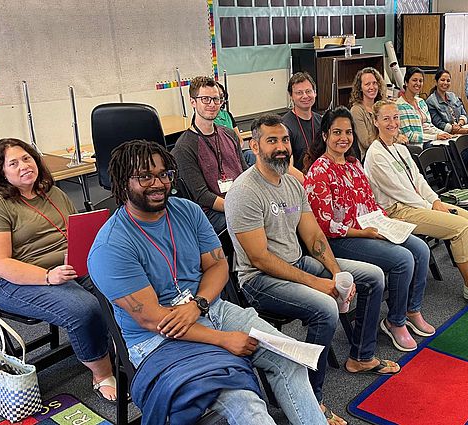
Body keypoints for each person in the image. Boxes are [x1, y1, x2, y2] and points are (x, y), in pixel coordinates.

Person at [88, 139, 324, 425]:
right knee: (245, 403)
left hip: (209, 307)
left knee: (290, 356)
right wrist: (223, 339)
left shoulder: (186, 210)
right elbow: (153, 320)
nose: (158, 183)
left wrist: (198, 305)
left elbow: (217, 265)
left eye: (164, 174)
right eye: (145, 176)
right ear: (122, 183)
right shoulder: (111, 246)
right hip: (157, 339)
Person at [226, 114, 398, 424]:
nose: (281, 147)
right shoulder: (244, 191)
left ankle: (360, 356)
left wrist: (334, 272)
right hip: (259, 279)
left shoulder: (292, 182)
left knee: (372, 276)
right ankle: (311, 399)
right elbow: (259, 258)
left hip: (297, 262)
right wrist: (317, 284)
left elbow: (314, 235)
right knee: (326, 308)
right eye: (272, 141)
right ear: (254, 146)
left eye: (285, 140)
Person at [0, 138, 116, 402]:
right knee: (84, 309)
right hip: (13, 281)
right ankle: (102, 372)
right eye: (13, 163)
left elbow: (74, 234)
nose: (23, 166)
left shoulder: (52, 192)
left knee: (119, 285)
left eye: (27, 158)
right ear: (1, 172)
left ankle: (126, 349)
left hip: (65, 267)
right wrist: (47, 277)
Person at [303, 107, 434, 352]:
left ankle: (411, 310)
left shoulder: (353, 164)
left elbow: (370, 204)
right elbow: (326, 225)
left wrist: (388, 224)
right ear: (324, 136)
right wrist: (367, 232)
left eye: (348, 132)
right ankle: (394, 322)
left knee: (420, 248)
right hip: (340, 239)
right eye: (336, 132)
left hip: (369, 228)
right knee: (403, 259)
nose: (344, 138)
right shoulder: (318, 172)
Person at [365, 100, 468, 309]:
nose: (392, 123)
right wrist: (431, 207)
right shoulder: (375, 154)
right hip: (397, 211)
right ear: (376, 121)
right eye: (386, 118)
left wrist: (435, 200)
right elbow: (400, 192)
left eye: (395, 117)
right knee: (460, 227)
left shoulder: (400, 147)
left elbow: (418, 179)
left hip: (418, 204)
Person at [172, 76, 247, 233]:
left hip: (240, 201)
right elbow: (202, 196)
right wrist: (239, 208)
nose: (212, 104)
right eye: (205, 99)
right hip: (212, 213)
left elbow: (245, 172)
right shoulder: (184, 147)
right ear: (193, 102)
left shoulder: (229, 134)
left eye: (216, 99)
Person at [397, 67, 452, 152]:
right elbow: (409, 135)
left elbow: (429, 126)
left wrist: (443, 134)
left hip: (428, 140)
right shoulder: (400, 105)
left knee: (454, 144)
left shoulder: (421, 102)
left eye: (420, 81)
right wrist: (435, 137)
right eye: (414, 80)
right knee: (444, 151)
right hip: (415, 146)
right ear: (406, 82)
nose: (418, 83)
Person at [281, 72, 319, 180]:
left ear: (315, 93)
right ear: (291, 96)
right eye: (299, 92)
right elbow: (287, 167)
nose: (305, 96)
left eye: (308, 91)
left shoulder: (321, 121)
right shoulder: (284, 126)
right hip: (299, 184)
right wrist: (310, 184)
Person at [350, 67, 391, 156]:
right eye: (367, 84)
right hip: (371, 155)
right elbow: (366, 142)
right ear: (360, 88)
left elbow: (394, 130)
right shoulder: (356, 110)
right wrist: (391, 140)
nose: (372, 87)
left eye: (375, 83)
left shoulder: (383, 106)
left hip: (388, 150)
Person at [426, 69, 468, 135]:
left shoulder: (453, 95)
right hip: (445, 133)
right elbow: (438, 123)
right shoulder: (431, 101)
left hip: (461, 128)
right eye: (442, 80)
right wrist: (454, 129)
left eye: (448, 81)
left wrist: (460, 123)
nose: (445, 83)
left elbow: (463, 113)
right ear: (436, 82)